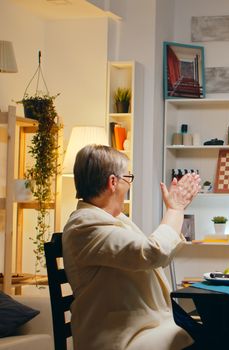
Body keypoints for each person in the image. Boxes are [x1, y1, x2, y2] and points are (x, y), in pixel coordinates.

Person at [62, 145, 203, 350]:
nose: (129, 186)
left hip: (146, 325)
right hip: (121, 336)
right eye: (128, 178)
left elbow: (148, 259)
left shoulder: (111, 218)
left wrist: (175, 210)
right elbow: (153, 253)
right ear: (113, 182)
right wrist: (175, 208)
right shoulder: (84, 226)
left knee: (218, 331)